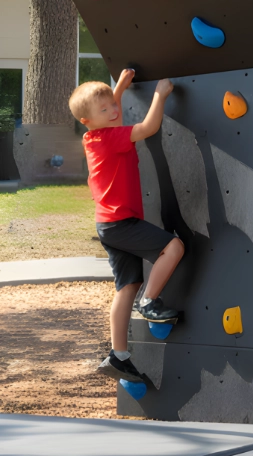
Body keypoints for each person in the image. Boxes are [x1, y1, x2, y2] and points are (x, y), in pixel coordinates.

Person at [70, 69, 186, 392]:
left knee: (127, 285)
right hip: (121, 222)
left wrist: (118, 88)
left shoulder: (92, 136)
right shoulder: (113, 137)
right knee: (174, 248)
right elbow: (149, 127)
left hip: (108, 223)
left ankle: (118, 353)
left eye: (112, 105)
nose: (113, 111)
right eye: (104, 109)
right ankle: (150, 302)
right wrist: (160, 94)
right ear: (87, 120)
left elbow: (109, 112)